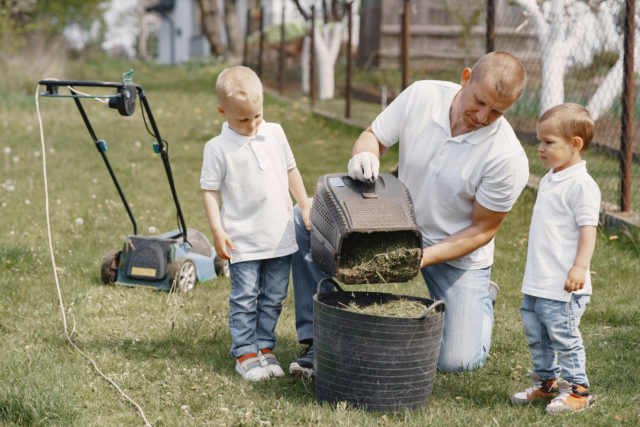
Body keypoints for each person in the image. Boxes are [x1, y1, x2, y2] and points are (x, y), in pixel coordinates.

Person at [289, 51, 529, 378]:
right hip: (397, 226)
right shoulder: (422, 95)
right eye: (480, 101)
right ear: (466, 77)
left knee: (456, 362)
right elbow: (372, 136)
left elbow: (482, 230)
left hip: (454, 252)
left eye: (498, 111)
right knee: (307, 220)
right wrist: (365, 155)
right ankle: (319, 338)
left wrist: (422, 258)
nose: (483, 116)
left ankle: (482, 301)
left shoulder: (506, 157)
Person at [201, 66, 311, 381]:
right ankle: (245, 350)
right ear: (222, 111)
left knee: (274, 296)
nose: (251, 125)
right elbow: (209, 192)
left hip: (279, 237)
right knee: (246, 297)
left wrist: (304, 205)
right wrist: (217, 231)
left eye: (257, 116)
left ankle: (265, 347)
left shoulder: (275, 133)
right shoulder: (217, 148)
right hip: (243, 240)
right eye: (242, 119)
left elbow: (291, 170)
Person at [510, 103, 599, 414]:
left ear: (575, 144)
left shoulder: (581, 185)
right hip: (539, 281)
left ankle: (578, 390)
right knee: (538, 336)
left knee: (563, 337)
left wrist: (579, 267)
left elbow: (588, 230)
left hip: (563, 285)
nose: (540, 148)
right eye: (539, 141)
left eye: (549, 142)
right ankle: (547, 383)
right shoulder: (551, 177)